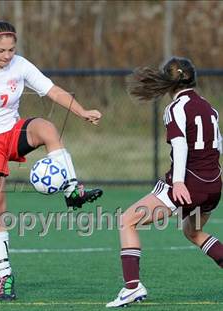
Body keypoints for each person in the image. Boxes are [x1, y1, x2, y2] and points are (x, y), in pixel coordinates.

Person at [0, 20, 103, 300]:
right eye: (1, 50)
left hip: (11, 131)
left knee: (47, 129)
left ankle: (72, 190)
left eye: (11, 50)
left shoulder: (20, 65)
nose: (7, 56)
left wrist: (82, 111)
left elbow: (53, 91)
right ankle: (5, 277)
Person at [106, 57, 222, 308]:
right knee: (193, 232)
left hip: (187, 184)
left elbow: (180, 146)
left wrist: (179, 182)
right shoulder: (210, 109)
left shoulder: (175, 108)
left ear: (168, 82)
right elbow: (218, 147)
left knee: (127, 220)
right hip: (213, 185)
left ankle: (132, 288)